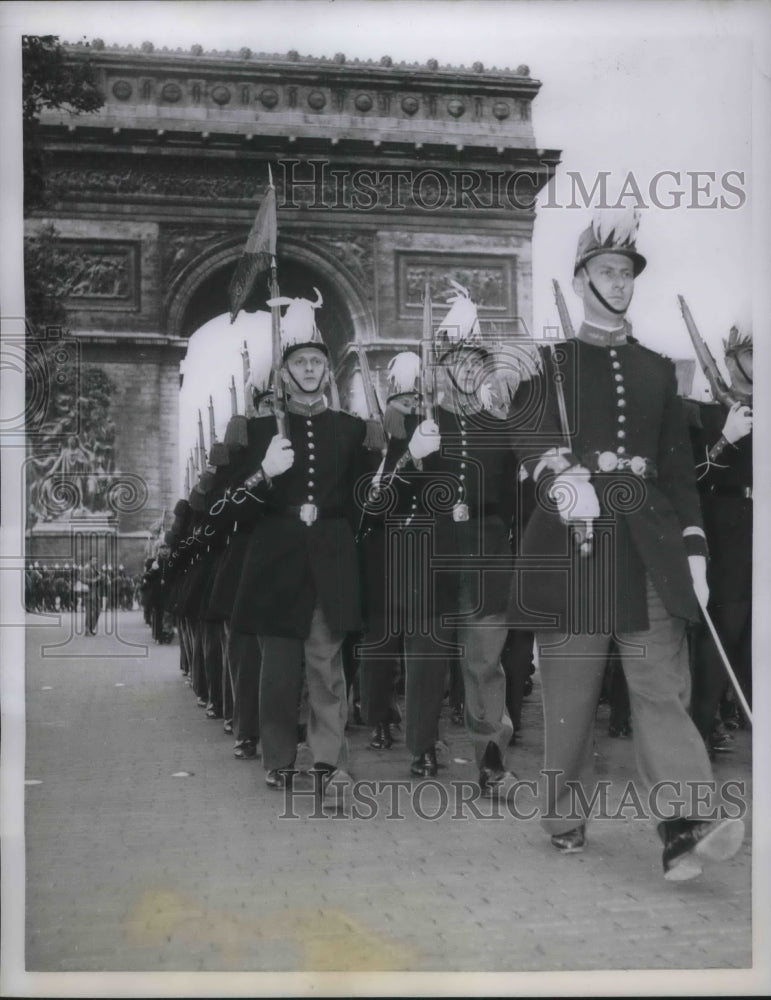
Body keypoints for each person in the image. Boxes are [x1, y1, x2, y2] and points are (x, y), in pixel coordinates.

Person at [513, 209, 745, 880]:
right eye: (606, 271)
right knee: (571, 697)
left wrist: (694, 549)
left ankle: (682, 825)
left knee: (659, 687)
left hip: (646, 546)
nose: (618, 282)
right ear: (581, 278)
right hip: (575, 546)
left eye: (626, 272)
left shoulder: (654, 370)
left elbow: (676, 470)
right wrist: (558, 476)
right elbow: (529, 439)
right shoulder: (548, 363)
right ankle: (562, 813)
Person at [229, 291, 377, 804]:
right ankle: (277, 757)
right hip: (278, 557)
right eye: (300, 361)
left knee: (326, 663)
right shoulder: (259, 431)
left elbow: (365, 499)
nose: (310, 368)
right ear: (285, 371)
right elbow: (230, 508)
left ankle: (328, 760)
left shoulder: (351, 430)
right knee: (279, 667)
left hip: (331, 555)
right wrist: (263, 474)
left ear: (326, 369)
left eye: (317, 360)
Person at [385, 285, 519, 792]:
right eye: (455, 360)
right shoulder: (419, 424)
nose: (464, 369)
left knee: (485, 662)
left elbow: (518, 499)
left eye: (472, 361)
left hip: (485, 548)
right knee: (426, 659)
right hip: (433, 549)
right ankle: (421, 747)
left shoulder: (501, 426)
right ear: (439, 367)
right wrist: (411, 458)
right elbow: (385, 501)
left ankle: (490, 758)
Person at [688, 326, 752, 755]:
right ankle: (700, 728)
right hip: (728, 530)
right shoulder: (704, 413)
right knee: (723, 633)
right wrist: (725, 440)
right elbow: (692, 481)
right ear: (731, 360)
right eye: (753, 352)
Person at [79, 555, 103, 635]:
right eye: (93, 560)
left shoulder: (94, 569)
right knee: (89, 612)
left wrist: (101, 578)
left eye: (96, 560)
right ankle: (87, 630)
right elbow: (81, 579)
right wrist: (94, 580)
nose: (95, 562)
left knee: (98, 611)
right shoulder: (86, 568)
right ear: (89, 561)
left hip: (95, 594)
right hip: (88, 594)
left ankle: (91, 628)